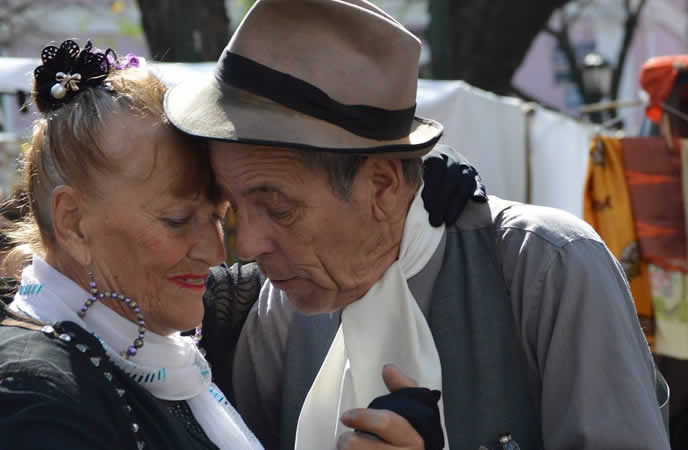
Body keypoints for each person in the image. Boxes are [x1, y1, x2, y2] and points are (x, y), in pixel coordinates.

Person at [164, 1, 672, 449]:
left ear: (382, 186)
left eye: (278, 207)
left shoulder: (547, 268)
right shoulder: (282, 308)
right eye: (233, 207)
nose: (248, 245)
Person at [0, 38, 484, 450]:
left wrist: (401, 191)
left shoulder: (168, 339)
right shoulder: (34, 398)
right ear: (73, 223)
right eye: (176, 219)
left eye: (217, 216)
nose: (216, 252)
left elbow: (316, 257)